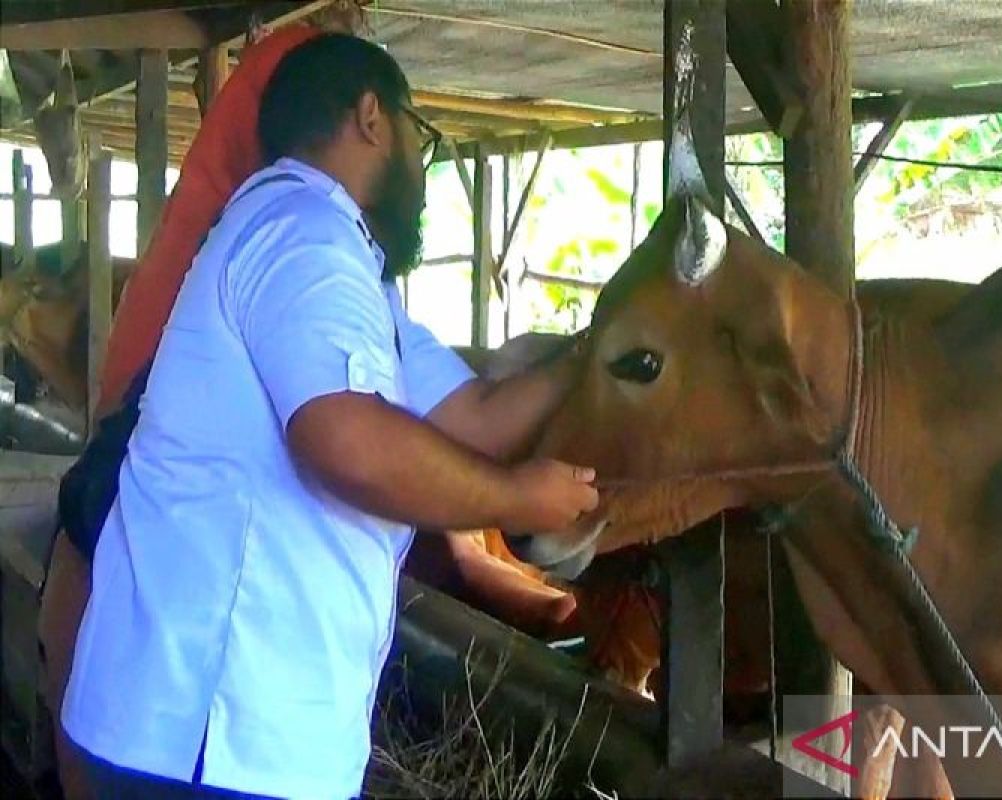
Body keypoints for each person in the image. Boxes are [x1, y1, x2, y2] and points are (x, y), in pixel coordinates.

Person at [59, 32, 598, 799]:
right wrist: (520, 500)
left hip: (219, 735)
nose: (424, 162)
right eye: (423, 134)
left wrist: (599, 348)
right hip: (211, 737)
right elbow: (344, 443)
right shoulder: (300, 234)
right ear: (373, 117)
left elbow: (474, 415)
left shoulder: (347, 275)